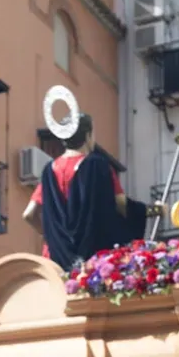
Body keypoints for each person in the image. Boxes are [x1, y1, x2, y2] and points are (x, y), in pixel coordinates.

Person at [21, 114, 144, 271]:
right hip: (92, 260)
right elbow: (120, 204)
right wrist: (146, 211)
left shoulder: (49, 171)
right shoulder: (98, 166)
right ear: (87, 135)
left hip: (55, 260)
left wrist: (50, 235)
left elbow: (29, 214)